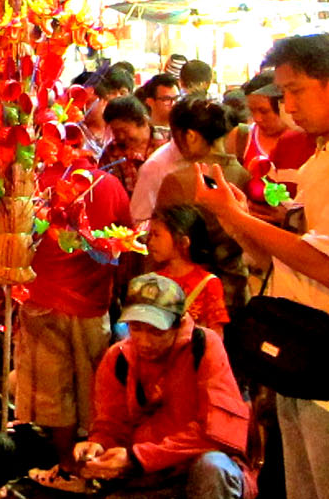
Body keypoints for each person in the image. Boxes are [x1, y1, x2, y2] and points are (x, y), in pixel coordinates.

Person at [192, 33, 329, 499]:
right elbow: (294, 244)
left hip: (323, 360)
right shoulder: (318, 156)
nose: (286, 105)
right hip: (299, 352)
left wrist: (238, 216)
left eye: (294, 91)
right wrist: (241, 216)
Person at [62, 274, 252, 499]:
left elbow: (216, 434)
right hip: (151, 481)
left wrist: (137, 458)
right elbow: (110, 424)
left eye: (156, 331)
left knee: (212, 467)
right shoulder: (118, 358)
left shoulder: (205, 347)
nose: (145, 341)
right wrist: (96, 445)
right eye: (137, 329)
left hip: (201, 476)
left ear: (178, 324)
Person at [21, 166, 130, 492]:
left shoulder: (36, 180)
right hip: (92, 305)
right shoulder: (111, 184)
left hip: (43, 297)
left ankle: (69, 467)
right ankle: (92, 466)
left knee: (55, 391)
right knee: (94, 389)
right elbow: (125, 246)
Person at [152, 97, 250, 309]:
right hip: (236, 288)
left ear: (191, 136)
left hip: (191, 295)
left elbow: (160, 240)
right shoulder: (243, 174)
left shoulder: (179, 181)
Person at [227, 72, 315, 208]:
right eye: (252, 111)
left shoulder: (308, 141)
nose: (257, 118)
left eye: (264, 111)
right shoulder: (241, 137)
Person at [146, 204, 228, 336]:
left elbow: (216, 335)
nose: (150, 242)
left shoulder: (208, 283)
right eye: (150, 235)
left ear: (183, 242)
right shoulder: (153, 280)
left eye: (157, 235)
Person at [97, 95, 155, 199]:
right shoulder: (111, 154)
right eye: (115, 132)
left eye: (124, 130)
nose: (121, 136)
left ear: (144, 121)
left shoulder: (168, 141)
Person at [137, 72, 181, 142]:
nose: (173, 104)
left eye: (176, 98)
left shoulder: (183, 132)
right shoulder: (142, 133)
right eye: (166, 99)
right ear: (150, 101)